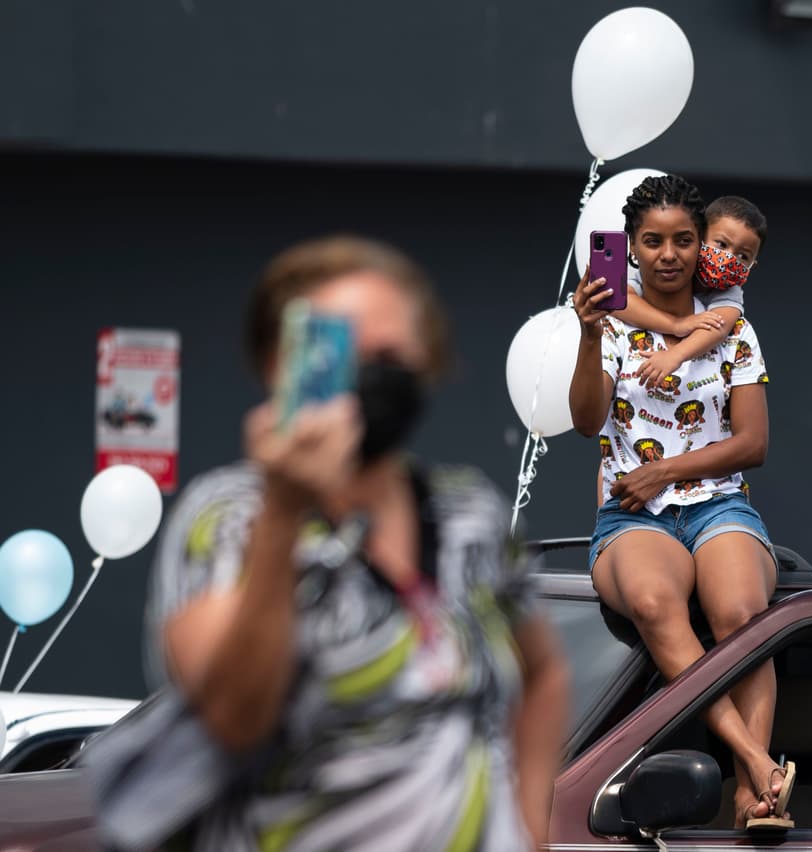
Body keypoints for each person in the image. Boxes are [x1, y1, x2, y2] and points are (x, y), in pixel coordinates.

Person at [87, 235, 570, 852]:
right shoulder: (230, 518)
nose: (371, 376)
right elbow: (235, 716)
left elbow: (545, 671)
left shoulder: (468, 514)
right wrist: (285, 511)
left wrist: (528, 830)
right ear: (279, 364)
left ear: (430, 359)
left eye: (390, 353)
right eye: (347, 352)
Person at [568, 175, 794, 830]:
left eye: (684, 241)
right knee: (653, 603)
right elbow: (587, 421)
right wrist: (587, 336)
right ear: (631, 249)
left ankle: (757, 803)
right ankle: (757, 761)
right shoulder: (609, 322)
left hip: (719, 505)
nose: (669, 253)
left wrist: (663, 469)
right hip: (632, 517)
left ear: (703, 247)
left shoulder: (734, 328)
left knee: (741, 614)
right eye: (653, 241)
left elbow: (752, 444)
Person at [596, 196, 768, 504]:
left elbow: (720, 326)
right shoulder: (645, 276)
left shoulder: (729, 294)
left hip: (712, 501)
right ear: (700, 238)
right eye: (721, 245)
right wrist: (676, 324)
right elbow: (619, 303)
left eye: (743, 257)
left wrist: (676, 354)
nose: (728, 258)